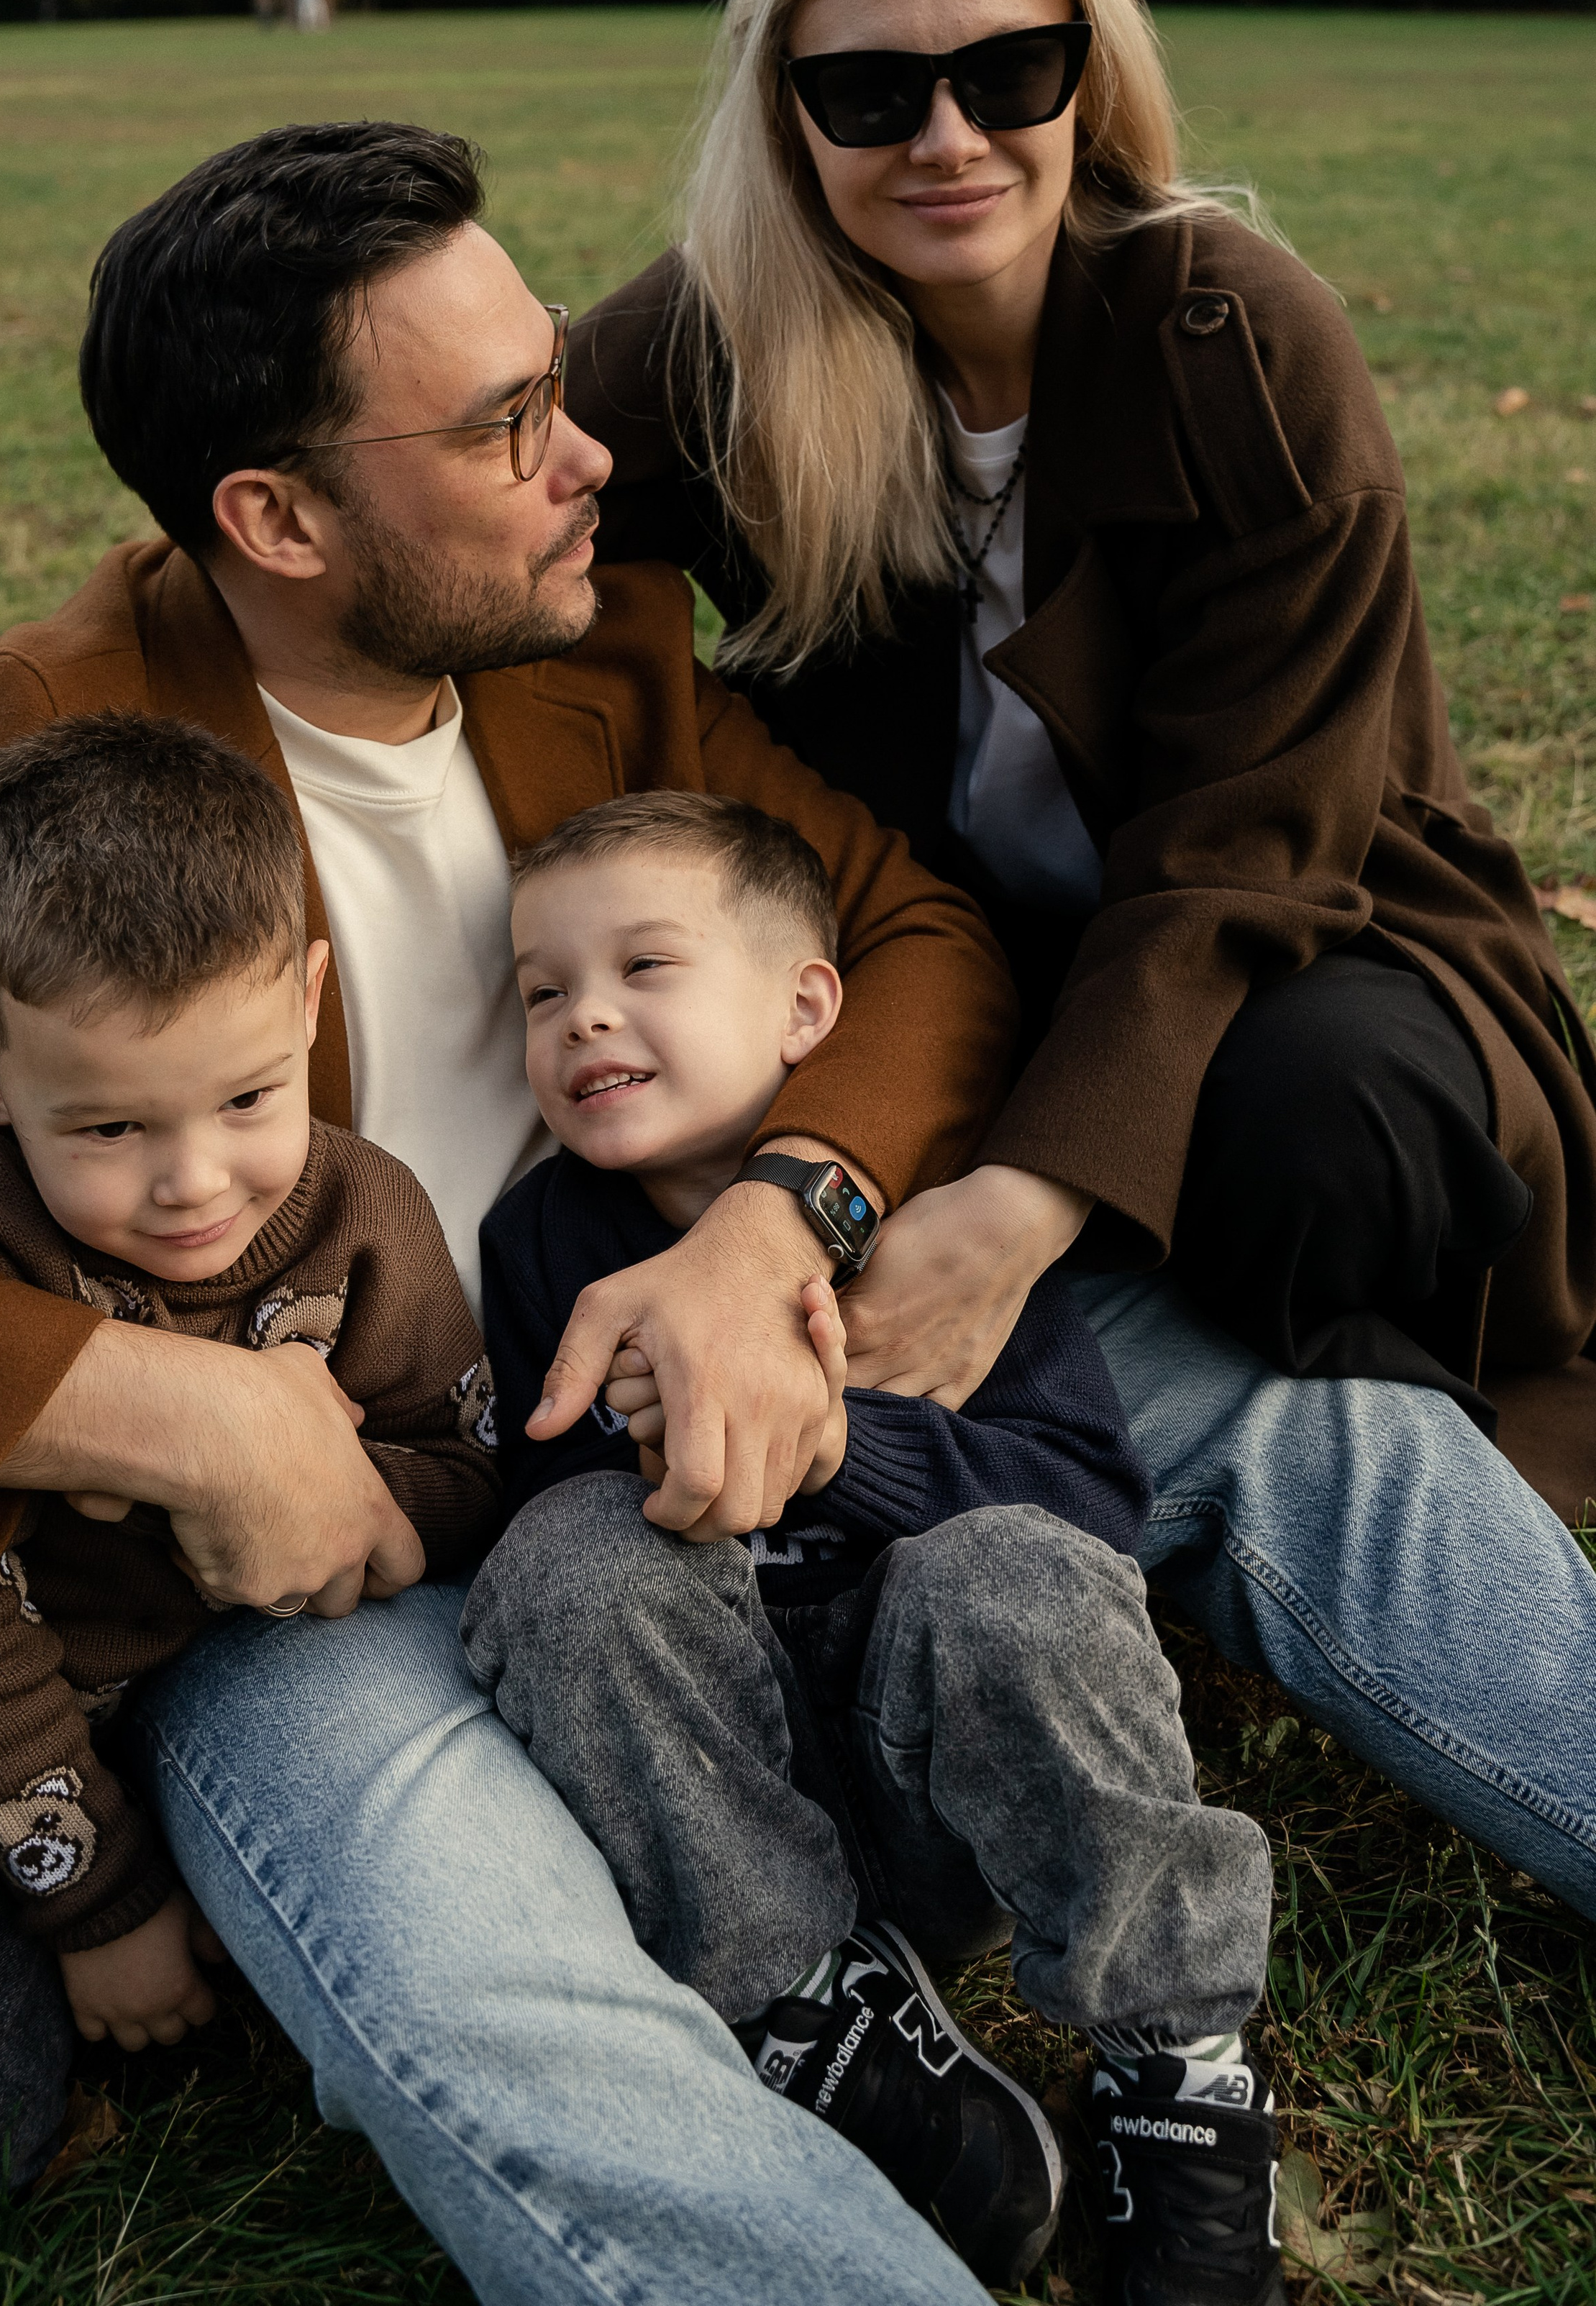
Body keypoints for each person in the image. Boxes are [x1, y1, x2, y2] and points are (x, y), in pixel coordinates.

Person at [0, 116, 1019, 2302]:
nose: (593, 454)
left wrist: (767, 1225)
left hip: (538, 1458)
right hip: (241, 1591)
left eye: (557, 379)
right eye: (511, 417)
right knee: (480, 1979)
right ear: (277, 515)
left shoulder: (598, 651)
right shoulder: (18, 747)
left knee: (1266, 1425)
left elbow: (915, 933)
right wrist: (172, 1414)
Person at [565, 0, 1596, 1921]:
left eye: (1007, 70)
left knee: (1299, 1129)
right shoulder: (722, 343)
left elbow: (1247, 856)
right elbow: (477, 503)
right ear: (789, 112)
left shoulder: (1231, 335)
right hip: (979, 985)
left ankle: (1386, 1457)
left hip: (1328, 962)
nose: (948, 137)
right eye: (868, 88)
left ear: (1084, 74)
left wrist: (1027, 1200)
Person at [463, 790, 1282, 2305]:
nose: (585, 1021)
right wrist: (636, 1456)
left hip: (957, 1783)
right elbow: (547, 1539)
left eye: (644, 970)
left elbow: (1082, 1501)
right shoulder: (541, 1244)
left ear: (804, 1006)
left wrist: (835, 1444)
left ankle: (1178, 2072)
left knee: (1014, 1572)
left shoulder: (913, 1224)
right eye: (541, 992)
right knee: (567, 1556)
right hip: (720, 1821)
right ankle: (823, 2026)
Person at [0, 711, 500, 2054]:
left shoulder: (365, 1214)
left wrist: (323, 1480)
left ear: (310, 1001)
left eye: (247, 1100)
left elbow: (460, 1477)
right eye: (109, 1127)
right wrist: (102, 1904)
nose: (193, 1183)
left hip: (151, 1690)